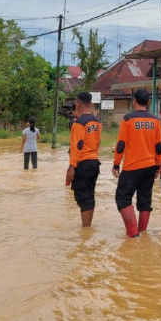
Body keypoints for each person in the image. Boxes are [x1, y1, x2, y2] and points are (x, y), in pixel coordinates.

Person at [112, 89, 161, 238]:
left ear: (134, 101)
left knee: (122, 198)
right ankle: (142, 233)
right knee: (145, 200)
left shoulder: (128, 119)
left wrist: (116, 164)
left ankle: (133, 234)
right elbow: (159, 146)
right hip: (150, 166)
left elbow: (121, 144)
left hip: (132, 166)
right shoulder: (155, 120)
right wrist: (158, 166)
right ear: (148, 102)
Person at [67, 92, 102, 227]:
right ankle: (88, 227)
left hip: (83, 164)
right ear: (91, 104)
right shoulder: (97, 122)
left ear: (77, 104)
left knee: (84, 198)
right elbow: (98, 142)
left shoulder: (78, 123)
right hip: (94, 163)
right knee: (90, 195)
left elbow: (77, 147)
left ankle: (86, 229)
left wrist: (71, 167)